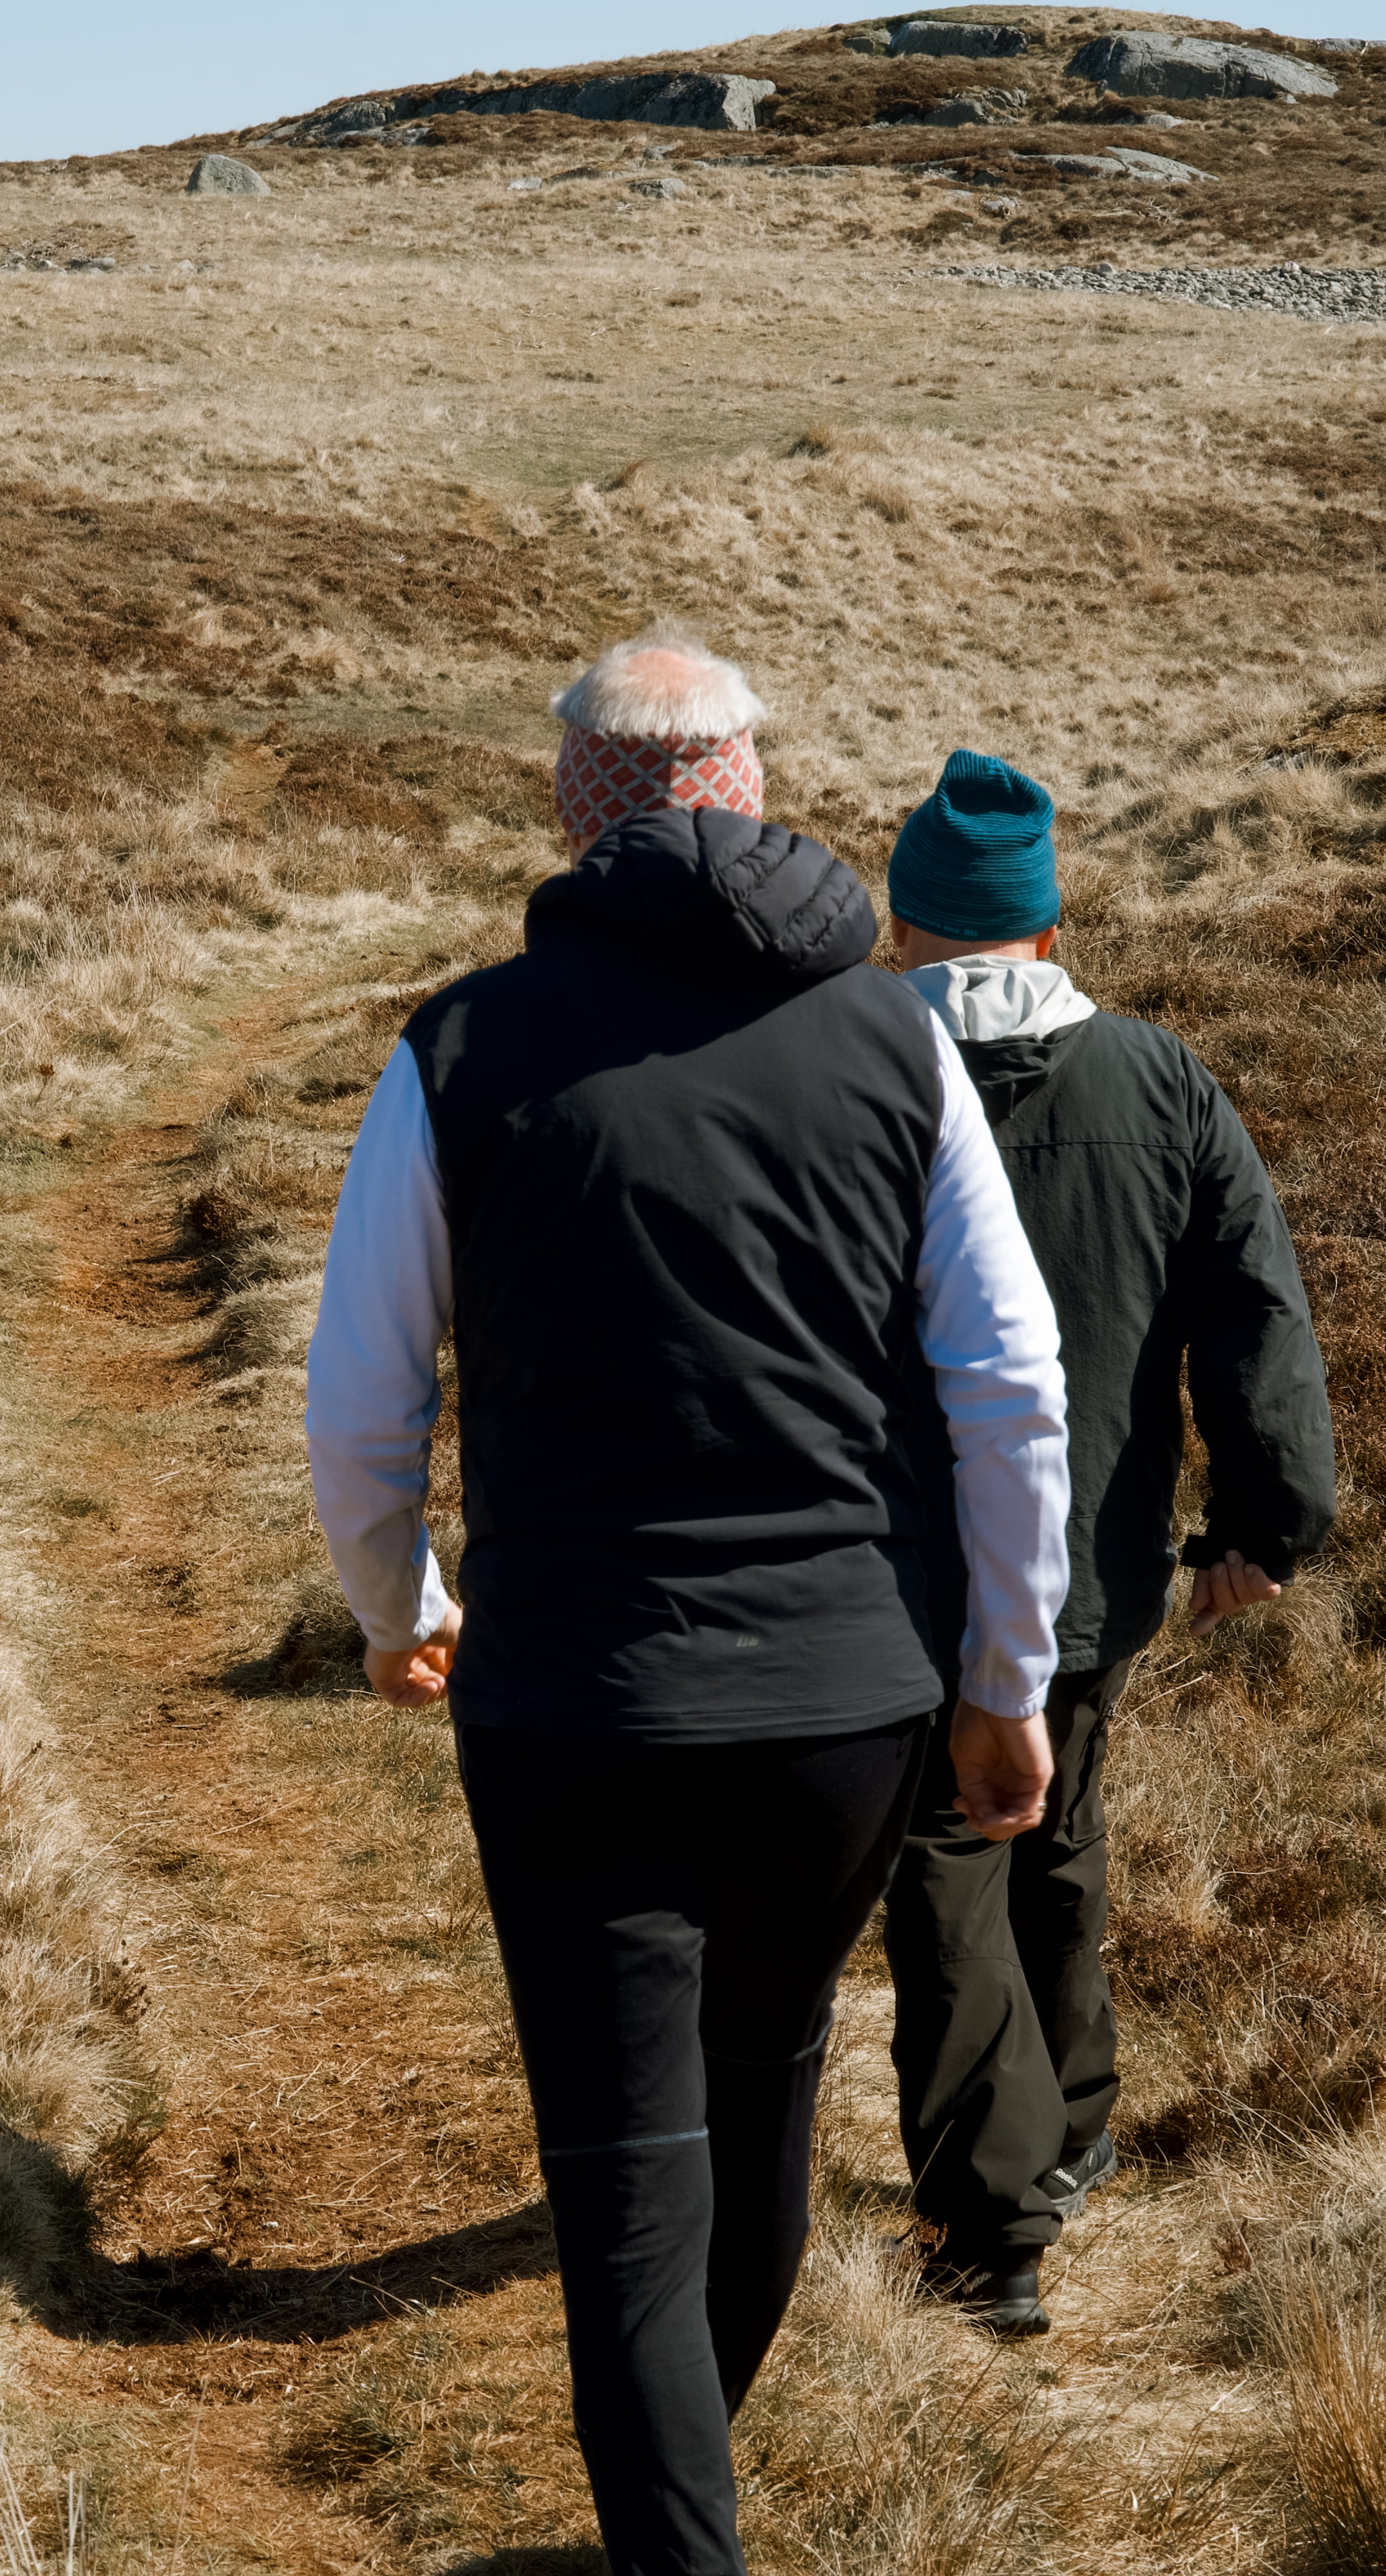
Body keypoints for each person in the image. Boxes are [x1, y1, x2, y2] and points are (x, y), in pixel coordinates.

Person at [303, 634, 1071, 2576]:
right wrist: (1006, 1678)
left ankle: (675, 2537)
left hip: (570, 1711)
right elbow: (1011, 1384)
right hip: (840, 1716)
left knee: (630, 2191)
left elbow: (360, 1395)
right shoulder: (901, 1042)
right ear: (747, 784)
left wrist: (399, 1604)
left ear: (575, 805)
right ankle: (682, 2514)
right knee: (767, 2105)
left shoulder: (461, 1047)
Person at [872, 749, 1338, 2337]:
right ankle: (1068, 2125)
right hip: (1097, 1568)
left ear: (907, 921)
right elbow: (1257, 1315)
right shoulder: (1165, 1080)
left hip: (892, 1575)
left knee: (946, 1870)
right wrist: (1265, 1526)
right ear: (1051, 920)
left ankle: (991, 2226)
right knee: (1057, 1825)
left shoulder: (849, 1065)